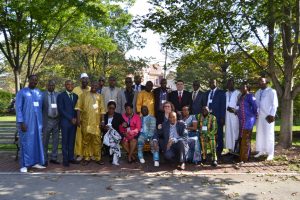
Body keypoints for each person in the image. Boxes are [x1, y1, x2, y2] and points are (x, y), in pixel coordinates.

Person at [16, 75, 45, 173]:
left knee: (37, 142)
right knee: (26, 143)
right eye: (32, 80)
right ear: (29, 80)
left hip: (37, 123)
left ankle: (36, 162)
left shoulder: (39, 92)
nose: (34, 81)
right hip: (26, 123)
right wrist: (21, 122)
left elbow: (41, 108)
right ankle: (24, 165)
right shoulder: (22, 92)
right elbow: (18, 108)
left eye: (36, 80)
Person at [76, 81, 106, 166]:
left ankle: (98, 158)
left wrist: (103, 121)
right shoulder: (83, 95)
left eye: (96, 85)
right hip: (86, 123)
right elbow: (78, 108)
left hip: (96, 124)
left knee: (97, 141)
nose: (94, 86)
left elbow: (102, 110)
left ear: (98, 87)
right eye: (93, 85)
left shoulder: (100, 97)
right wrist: (78, 120)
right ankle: (86, 157)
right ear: (91, 86)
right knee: (86, 141)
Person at [255, 77, 278, 161]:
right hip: (259, 116)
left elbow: (274, 104)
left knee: (269, 134)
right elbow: (256, 105)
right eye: (259, 82)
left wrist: (272, 115)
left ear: (266, 82)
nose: (260, 83)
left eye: (262, 81)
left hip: (268, 116)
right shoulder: (257, 92)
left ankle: (270, 153)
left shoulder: (272, 91)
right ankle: (261, 150)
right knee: (260, 133)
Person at [57, 80, 79, 167]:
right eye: (67, 84)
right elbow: (61, 109)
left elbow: (77, 109)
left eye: (71, 84)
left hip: (73, 123)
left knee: (71, 141)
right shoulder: (61, 96)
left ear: (73, 85)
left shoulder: (76, 96)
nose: (69, 86)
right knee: (65, 141)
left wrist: (76, 119)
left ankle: (71, 157)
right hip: (65, 122)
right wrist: (70, 118)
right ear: (65, 85)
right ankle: (65, 159)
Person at [236, 83, 257, 162]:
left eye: (243, 87)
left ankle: (244, 158)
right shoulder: (241, 97)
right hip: (242, 121)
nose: (241, 89)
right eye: (240, 87)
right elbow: (239, 107)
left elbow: (255, 107)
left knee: (246, 139)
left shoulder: (250, 96)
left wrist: (254, 116)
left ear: (247, 88)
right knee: (242, 139)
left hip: (248, 121)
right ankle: (242, 156)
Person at [205, 79, 226, 159]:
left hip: (218, 117)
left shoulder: (221, 93)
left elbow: (223, 106)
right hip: (208, 116)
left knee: (219, 133)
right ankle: (212, 149)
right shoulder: (207, 93)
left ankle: (219, 150)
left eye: (213, 82)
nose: (211, 84)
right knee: (210, 133)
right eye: (210, 82)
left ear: (216, 83)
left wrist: (222, 117)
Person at [42, 80, 60, 166]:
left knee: (56, 140)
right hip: (47, 120)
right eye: (50, 85)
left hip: (56, 120)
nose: (52, 87)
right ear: (47, 85)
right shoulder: (42, 95)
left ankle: (54, 157)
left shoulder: (58, 95)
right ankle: (44, 159)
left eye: (53, 85)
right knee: (45, 140)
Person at [73, 73, 90, 161]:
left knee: (87, 135)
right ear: (80, 80)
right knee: (79, 136)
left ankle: (87, 153)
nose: (85, 80)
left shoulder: (90, 89)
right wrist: (75, 117)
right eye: (83, 79)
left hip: (88, 117)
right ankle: (79, 154)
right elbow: (72, 103)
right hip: (78, 115)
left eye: (86, 79)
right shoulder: (75, 89)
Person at [102, 101, 124, 165]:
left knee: (113, 139)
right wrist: (104, 127)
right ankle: (111, 155)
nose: (111, 109)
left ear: (115, 109)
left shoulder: (118, 115)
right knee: (109, 139)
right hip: (106, 134)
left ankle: (112, 156)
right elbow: (101, 126)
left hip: (115, 134)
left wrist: (124, 124)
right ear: (107, 108)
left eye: (113, 108)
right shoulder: (104, 116)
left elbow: (124, 123)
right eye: (110, 108)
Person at [225, 79, 240, 153]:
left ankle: (236, 149)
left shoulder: (238, 93)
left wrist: (234, 110)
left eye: (230, 83)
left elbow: (240, 104)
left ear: (233, 84)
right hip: (227, 116)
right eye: (228, 84)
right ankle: (230, 149)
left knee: (235, 131)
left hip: (235, 115)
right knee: (228, 131)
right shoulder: (226, 93)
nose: (229, 85)